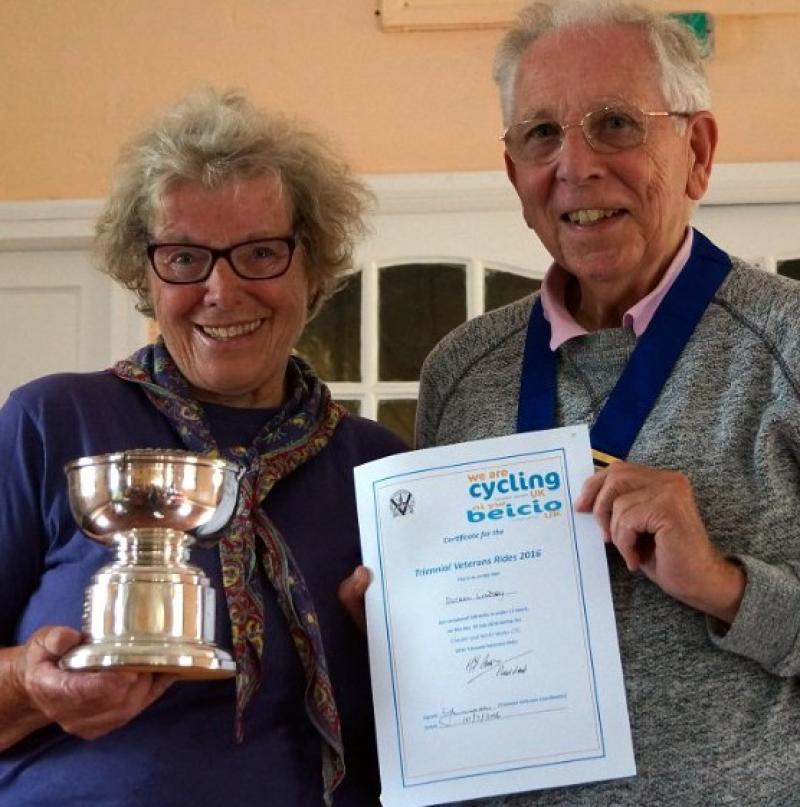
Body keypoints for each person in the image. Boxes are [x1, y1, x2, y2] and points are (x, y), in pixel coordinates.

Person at [414, 1, 800, 804]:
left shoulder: (790, 343)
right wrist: (399, 616)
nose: (576, 165)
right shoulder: (459, 370)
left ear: (696, 151)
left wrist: (727, 584)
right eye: (541, 134)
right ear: (513, 170)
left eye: (616, 123)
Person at [0, 88, 406, 806]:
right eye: (184, 257)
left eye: (259, 252)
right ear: (145, 274)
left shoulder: (379, 467)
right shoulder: (51, 422)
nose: (222, 290)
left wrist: (410, 655)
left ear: (313, 268)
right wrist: (29, 685)